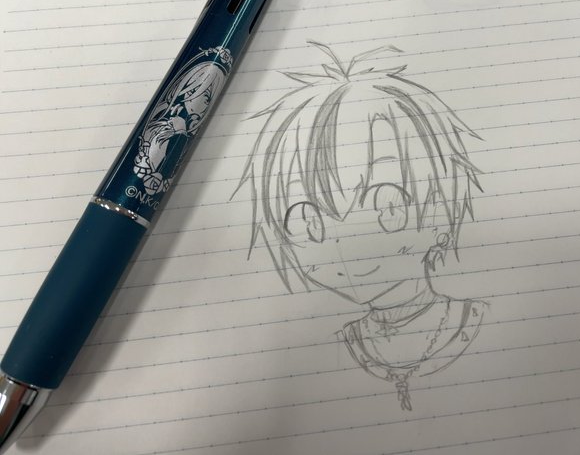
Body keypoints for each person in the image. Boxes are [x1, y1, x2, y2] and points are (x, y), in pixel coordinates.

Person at [235, 41, 487, 410]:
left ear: (441, 212)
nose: (343, 238)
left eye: (387, 203)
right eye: (307, 219)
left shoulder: (484, 323)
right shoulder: (335, 352)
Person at [134, 48, 230, 195]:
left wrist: (181, 131)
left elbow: (170, 165)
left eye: (205, 97)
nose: (193, 99)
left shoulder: (185, 129)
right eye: (191, 91)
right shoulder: (165, 118)